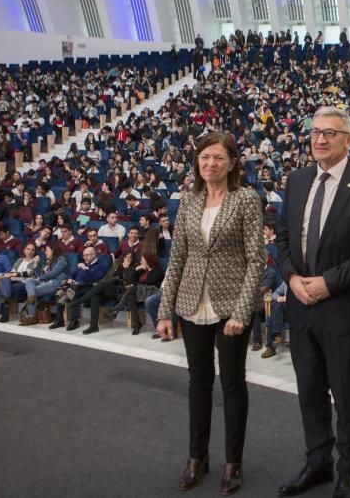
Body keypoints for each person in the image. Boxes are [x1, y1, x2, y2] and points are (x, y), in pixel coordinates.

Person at [276, 107, 350, 498]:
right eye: (315, 132)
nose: (320, 139)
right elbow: (282, 238)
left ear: (349, 139)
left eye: (330, 133)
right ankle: (318, 462)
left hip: (342, 308)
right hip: (300, 304)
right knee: (309, 390)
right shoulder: (298, 179)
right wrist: (291, 277)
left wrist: (327, 283)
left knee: (346, 395)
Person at [155, 132, 266, 495]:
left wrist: (242, 309)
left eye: (218, 158)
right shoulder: (187, 201)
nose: (210, 164)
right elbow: (178, 259)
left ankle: (233, 462)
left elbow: (256, 259)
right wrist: (165, 310)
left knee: (233, 384)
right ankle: (196, 458)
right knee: (198, 383)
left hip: (230, 306)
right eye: (204, 158)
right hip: (190, 303)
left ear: (233, 162)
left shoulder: (246, 199)